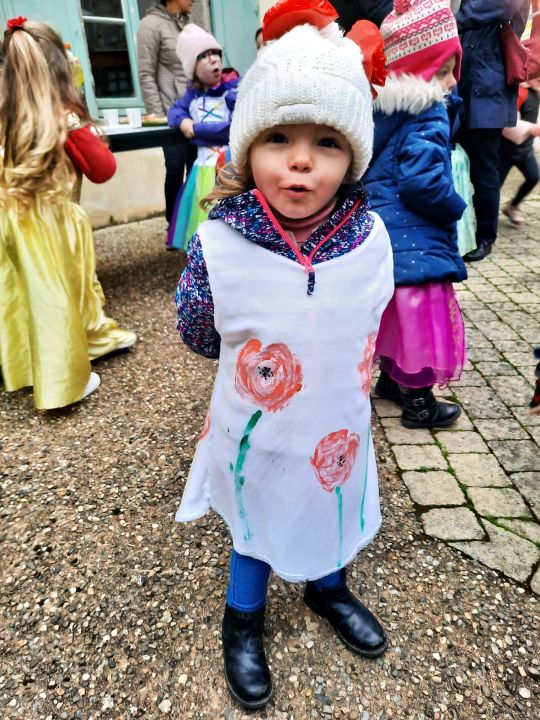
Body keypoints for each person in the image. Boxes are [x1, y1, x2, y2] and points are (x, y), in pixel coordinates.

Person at [175, 1, 394, 709]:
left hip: (336, 427)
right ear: (248, 149)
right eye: (279, 138)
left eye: (326, 142)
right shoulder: (220, 243)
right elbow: (198, 328)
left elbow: (374, 315)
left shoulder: (371, 239)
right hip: (260, 429)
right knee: (258, 514)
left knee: (327, 504)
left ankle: (328, 587)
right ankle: (243, 617)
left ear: (353, 156)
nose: (301, 160)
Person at [0, 18, 136, 410]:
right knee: (55, 297)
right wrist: (78, 122)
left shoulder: (6, 117)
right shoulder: (62, 119)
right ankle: (63, 381)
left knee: (19, 297)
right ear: (61, 66)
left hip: (10, 223)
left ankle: (28, 362)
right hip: (50, 228)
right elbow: (103, 169)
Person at [363, 0, 467, 429]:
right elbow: (423, 182)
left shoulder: (380, 110)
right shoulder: (428, 110)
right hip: (417, 238)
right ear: (422, 72)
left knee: (394, 316)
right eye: (444, 70)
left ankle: (390, 382)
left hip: (383, 236)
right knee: (421, 321)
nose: (453, 80)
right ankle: (420, 405)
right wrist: (454, 206)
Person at [455, 0, 530, 262]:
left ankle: (485, 237)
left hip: (489, 90)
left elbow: (494, 7)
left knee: (484, 169)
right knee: (454, 161)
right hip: (464, 88)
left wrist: (443, 23)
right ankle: (456, 231)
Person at [166, 24, 239, 250]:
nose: (213, 59)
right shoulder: (192, 96)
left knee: (229, 216)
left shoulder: (233, 90)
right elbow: (174, 111)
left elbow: (231, 129)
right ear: (192, 68)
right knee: (202, 215)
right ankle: (206, 257)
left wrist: (196, 131)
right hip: (203, 168)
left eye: (215, 53)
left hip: (228, 166)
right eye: (204, 56)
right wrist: (183, 121)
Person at [136, 0, 197, 226]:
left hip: (194, 115)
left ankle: (194, 223)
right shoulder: (150, 24)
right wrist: (157, 115)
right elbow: (146, 74)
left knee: (196, 171)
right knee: (175, 169)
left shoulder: (187, 26)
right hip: (170, 117)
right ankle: (174, 225)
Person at [499, 80, 540, 226]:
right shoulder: (519, 93)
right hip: (506, 151)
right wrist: (530, 129)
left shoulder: (536, 93)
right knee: (494, 185)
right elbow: (507, 122)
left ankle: (513, 207)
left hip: (525, 150)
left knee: (533, 177)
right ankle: (482, 215)